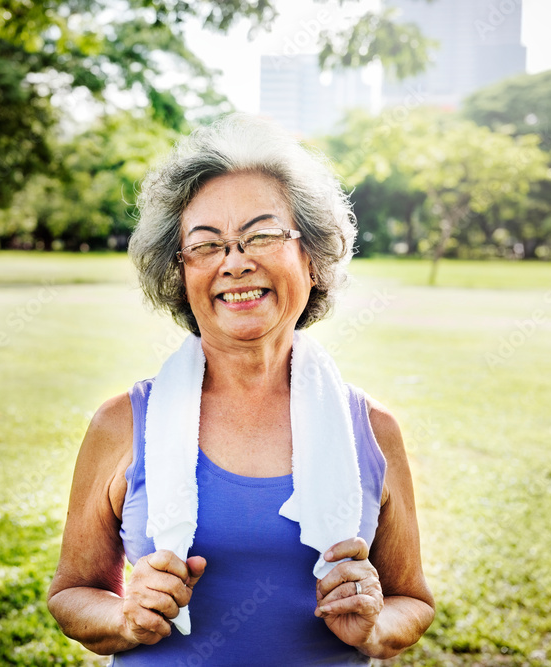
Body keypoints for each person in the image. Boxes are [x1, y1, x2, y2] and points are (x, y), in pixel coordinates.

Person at [47, 113, 434, 665]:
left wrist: (375, 625)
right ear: (179, 272)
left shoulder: (370, 429)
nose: (235, 261)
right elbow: (71, 594)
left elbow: (411, 601)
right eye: (206, 245)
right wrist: (125, 616)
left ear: (313, 259)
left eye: (263, 235)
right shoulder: (123, 423)